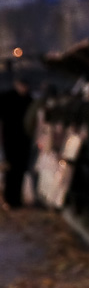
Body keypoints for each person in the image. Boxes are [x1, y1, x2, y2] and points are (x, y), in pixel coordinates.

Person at [0, 77, 34, 209]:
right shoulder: (7, 98)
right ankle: (10, 198)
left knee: (19, 170)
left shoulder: (28, 100)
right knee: (11, 169)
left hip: (23, 140)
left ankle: (16, 199)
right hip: (10, 139)